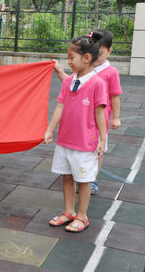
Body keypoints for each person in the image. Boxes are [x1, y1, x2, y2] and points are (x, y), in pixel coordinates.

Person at [44, 34, 108, 233]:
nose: (69, 62)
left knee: (84, 181)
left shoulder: (97, 83)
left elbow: (100, 113)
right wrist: (49, 129)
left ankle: (82, 216)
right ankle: (69, 211)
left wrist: (102, 139)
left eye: (72, 58)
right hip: (65, 141)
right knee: (66, 177)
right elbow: (60, 108)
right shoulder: (69, 81)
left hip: (84, 143)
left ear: (87, 58)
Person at [53, 29, 121, 195]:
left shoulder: (110, 72)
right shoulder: (83, 69)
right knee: (80, 152)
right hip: (82, 122)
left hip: (99, 121)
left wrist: (116, 117)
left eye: (101, 53)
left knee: (97, 152)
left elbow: (115, 96)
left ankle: (92, 179)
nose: (97, 57)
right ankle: (81, 177)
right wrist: (59, 71)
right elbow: (71, 86)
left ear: (109, 51)